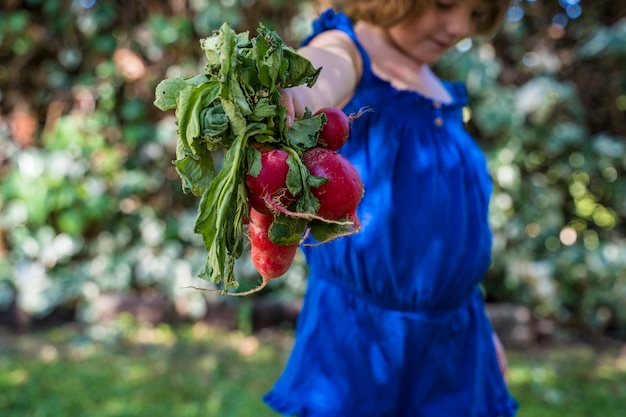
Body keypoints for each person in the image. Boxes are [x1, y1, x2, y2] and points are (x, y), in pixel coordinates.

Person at [264, 0, 519, 416]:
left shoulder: (436, 88)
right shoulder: (349, 51)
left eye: (476, 13)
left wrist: (477, 324)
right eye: (445, 4)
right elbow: (321, 69)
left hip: (454, 340)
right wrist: (292, 94)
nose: (458, 26)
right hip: (361, 342)